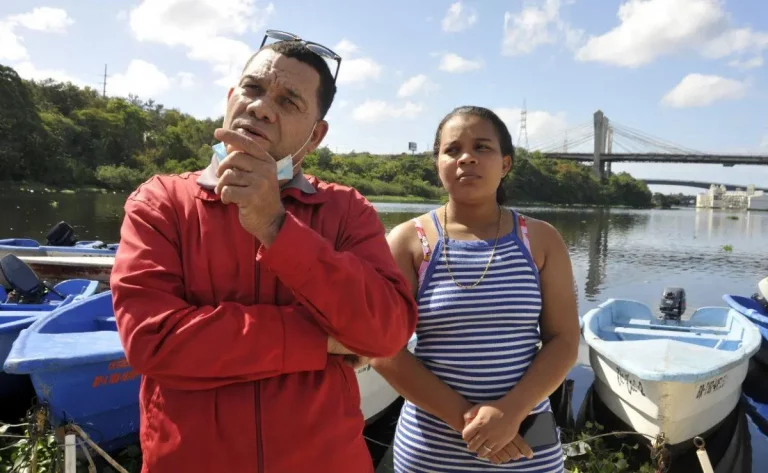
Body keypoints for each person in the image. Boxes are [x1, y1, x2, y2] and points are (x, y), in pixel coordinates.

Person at [110, 30, 418, 473]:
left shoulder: (347, 210)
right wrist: (321, 340)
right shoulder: (161, 202)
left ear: (315, 136)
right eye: (252, 89)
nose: (260, 107)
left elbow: (386, 334)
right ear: (231, 97)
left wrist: (275, 226)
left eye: (289, 101)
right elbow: (153, 341)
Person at [371, 106, 580, 472]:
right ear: (438, 163)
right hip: (432, 450)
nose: (467, 158)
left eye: (482, 147)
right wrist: (474, 424)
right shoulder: (407, 241)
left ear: (506, 163)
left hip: (527, 442)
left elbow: (564, 340)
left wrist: (510, 412)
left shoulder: (542, 240)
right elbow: (385, 351)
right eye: (452, 150)